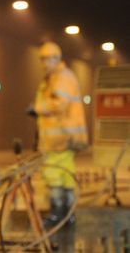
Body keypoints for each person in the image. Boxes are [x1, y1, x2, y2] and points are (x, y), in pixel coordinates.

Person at [31, 41, 87, 228]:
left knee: (54, 173)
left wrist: (37, 108)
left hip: (60, 138)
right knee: (64, 175)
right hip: (58, 138)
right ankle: (67, 214)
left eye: (49, 59)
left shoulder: (62, 78)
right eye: (43, 60)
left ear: (57, 59)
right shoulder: (53, 78)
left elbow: (59, 104)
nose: (45, 63)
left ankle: (58, 213)